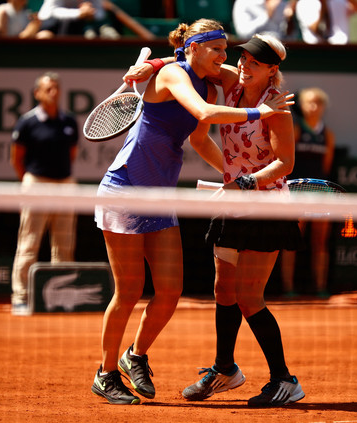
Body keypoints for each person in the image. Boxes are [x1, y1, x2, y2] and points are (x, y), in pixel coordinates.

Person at [90, 19, 294, 406]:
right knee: (130, 291)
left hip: (162, 196)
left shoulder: (213, 75)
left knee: (169, 292)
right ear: (195, 48)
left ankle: (135, 355)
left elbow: (255, 78)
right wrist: (259, 114)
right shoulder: (173, 76)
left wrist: (235, 175)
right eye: (216, 49)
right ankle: (105, 373)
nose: (226, 57)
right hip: (126, 189)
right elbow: (203, 112)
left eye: (225, 49)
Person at [179, 34, 305, 407]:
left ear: (272, 70)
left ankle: (285, 380)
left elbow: (286, 163)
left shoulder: (278, 108)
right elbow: (194, 65)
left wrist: (250, 180)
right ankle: (224, 369)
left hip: (267, 210)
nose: (244, 66)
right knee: (224, 290)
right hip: (233, 205)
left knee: (250, 298)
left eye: (255, 63)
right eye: (244, 59)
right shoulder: (232, 84)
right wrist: (153, 65)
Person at [10, 72, 79, 316]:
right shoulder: (27, 122)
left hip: (65, 184)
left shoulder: (69, 121)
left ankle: (59, 297)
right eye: (48, 88)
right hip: (36, 183)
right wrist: (31, 182)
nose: (54, 92)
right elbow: (17, 158)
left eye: (57, 87)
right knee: (29, 242)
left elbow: (71, 154)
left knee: (64, 244)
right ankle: (21, 296)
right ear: (37, 93)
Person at [281, 87, 335, 297]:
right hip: (295, 193)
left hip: (320, 194)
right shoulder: (295, 130)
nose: (314, 107)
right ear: (302, 107)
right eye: (309, 102)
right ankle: (288, 288)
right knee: (293, 240)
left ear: (324, 107)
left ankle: (320, 288)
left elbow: (326, 166)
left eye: (318, 103)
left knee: (320, 242)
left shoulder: (328, 135)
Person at [37, 0, 119, 38]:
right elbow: (53, 11)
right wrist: (79, 13)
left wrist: (91, 13)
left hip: (81, 25)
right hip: (51, 25)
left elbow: (100, 13)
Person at [232, 0, 296, 40]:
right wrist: (268, 15)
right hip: (255, 51)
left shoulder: (283, 4)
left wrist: (290, 20)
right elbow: (244, 35)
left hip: (281, 51)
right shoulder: (243, 2)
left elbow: (290, 38)